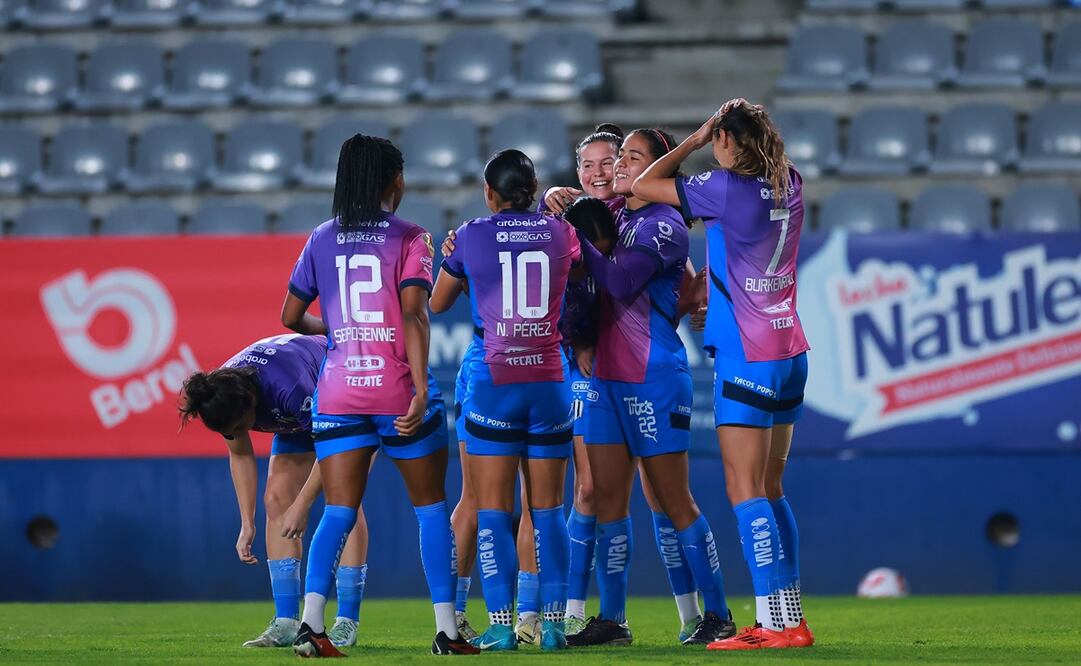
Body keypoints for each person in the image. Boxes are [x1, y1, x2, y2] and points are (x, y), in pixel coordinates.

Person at [280, 134, 478, 657]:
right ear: (395, 180)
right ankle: (446, 631)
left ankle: (311, 625)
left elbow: (290, 317)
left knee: (338, 511)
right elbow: (414, 313)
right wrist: (419, 388)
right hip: (397, 391)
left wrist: (338, 331)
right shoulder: (412, 236)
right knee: (431, 511)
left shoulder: (321, 237)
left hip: (339, 393)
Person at [632, 98, 814, 650]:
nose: (713, 149)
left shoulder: (723, 187)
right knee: (772, 489)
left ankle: (771, 624)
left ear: (726, 140)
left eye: (717, 140)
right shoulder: (790, 182)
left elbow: (641, 185)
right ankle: (791, 619)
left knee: (744, 490)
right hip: (790, 349)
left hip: (746, 354)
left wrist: (691, 139)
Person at [543, 125, 713, 643]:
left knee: (666, 498)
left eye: (620, 159)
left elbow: (634, 280)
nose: (609, 169)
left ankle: (707, 613)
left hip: (647, 372)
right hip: (598, 372)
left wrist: (695, 298)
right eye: (595, 163)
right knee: (599, 495)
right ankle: (599, 616)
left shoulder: (655, 221)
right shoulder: (604, 214)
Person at [431, 149, 580, 652]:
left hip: (495, 381)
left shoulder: (471, 235)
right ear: (533, 190)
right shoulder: (560, 232)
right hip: (550, 378)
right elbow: (583, 269)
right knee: (549, 511)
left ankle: (500, 625)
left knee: (493, 510)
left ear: (490, 193)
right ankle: (553, 625)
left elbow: (437, 302)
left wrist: (470, 272)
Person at [179, 334, 369, 649]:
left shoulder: (290, 388)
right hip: (300, 415)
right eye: (230, 432)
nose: (236, 434)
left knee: (343, 501)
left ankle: (346, 622)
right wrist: (247, 523)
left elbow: (333, 449)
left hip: (346, 400)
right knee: (276, 499)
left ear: (251, 403)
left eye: (239, 427)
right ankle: (286, 622)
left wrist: (303, 505)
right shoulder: (220, 394)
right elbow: (240, 454)